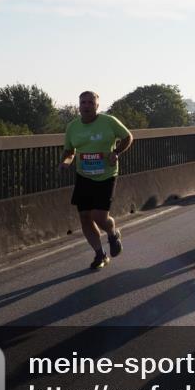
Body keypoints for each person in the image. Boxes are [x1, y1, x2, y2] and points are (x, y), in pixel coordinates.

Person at [59, 91, 134, 270]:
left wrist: (116, 153)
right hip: (84, 176)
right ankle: (100, 254)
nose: (86, 106)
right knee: (85, 217)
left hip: (105, 176)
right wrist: (65, 162)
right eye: (83, 102)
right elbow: (69, 151)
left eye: (90, 103)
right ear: (79, 105)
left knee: (99, 216)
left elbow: (128, 137)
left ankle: (112, 232)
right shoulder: (72, 126)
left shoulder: (109, 121)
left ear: (97, 106)